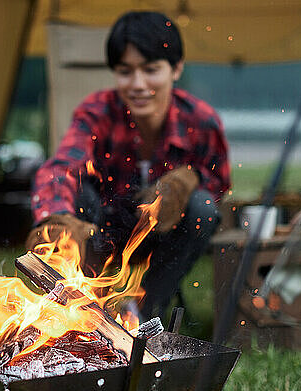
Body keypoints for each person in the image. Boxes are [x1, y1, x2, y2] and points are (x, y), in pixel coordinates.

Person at [26, 11, 230, 319]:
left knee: (202, 208)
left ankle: (148, 310)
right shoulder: (97, 111)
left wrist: (188, 179)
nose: (137, 84)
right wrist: (56, 217)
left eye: (150, 70)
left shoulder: (201, 121)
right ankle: (91, 305)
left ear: (176, 69)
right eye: (125, 71)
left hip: (164, 239)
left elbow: (219, 183)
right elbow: (61, 167)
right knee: (78, 198)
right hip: (102, 231)